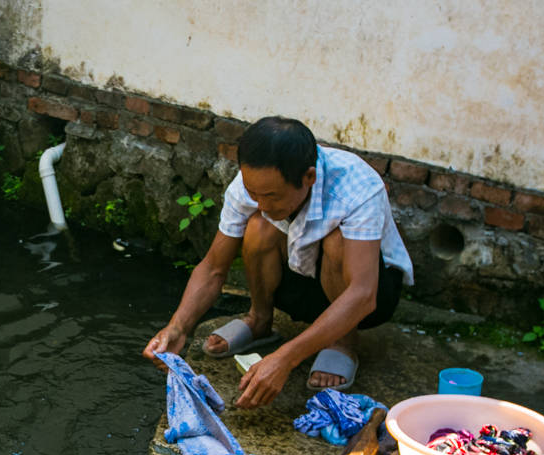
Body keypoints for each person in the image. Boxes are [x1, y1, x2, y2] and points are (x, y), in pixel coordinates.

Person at [142, 116, 413, 407]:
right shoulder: (253, 184)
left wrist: (286, 358)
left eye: (272, 196)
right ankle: (259, 320)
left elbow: (363, 295)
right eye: (254, 193)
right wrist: (178, 327)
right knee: (259, 225)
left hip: (369, 297)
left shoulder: (357, 186)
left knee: (336, 240)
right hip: (298, 281)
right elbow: (213, 267)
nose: (262, 204)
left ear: (309, 177)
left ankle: (343, 342)